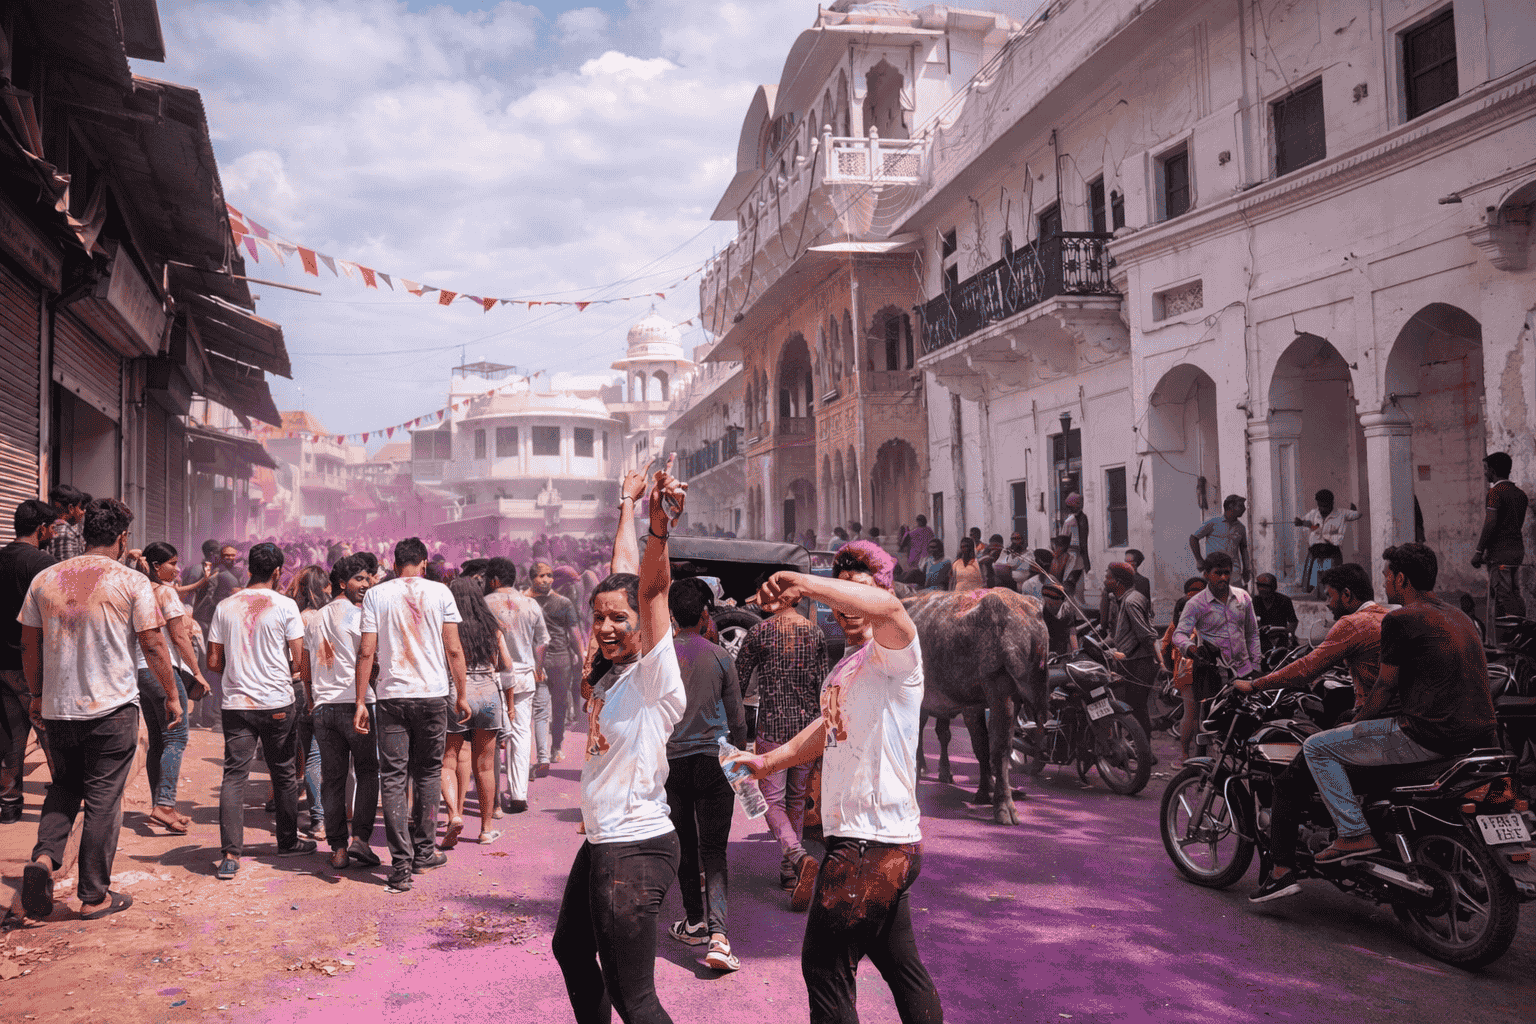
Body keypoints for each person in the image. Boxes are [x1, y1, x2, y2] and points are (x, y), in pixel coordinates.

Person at [728, 540, 943, 1024]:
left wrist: (805, 583)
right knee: (902, 967)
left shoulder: (895, 653)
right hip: (882, 846)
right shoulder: (850, 664)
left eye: (856, 595)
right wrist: (770, 763)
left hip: (869, 845)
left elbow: (888, 606)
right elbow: (828, 725)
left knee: (825, 971)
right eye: (840, 596)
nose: (846, 606)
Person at [551, 465, 687, 1024]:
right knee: (572, 949)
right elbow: (625, 579)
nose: (606, 627)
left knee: (637, 998)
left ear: (646, 628)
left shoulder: (655, 674)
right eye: (598, 617)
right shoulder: (617, 667)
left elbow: (650, 588)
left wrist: (659, 530)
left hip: (634, 847)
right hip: (609, 842)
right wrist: (625, 506)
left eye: (618, 620)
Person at [19, 498, 178, 920]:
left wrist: (37, 694)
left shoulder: (45, 578)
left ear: (86, 532)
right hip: (111, 709)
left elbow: (29, 644)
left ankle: (45, 860)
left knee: (64, 787)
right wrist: (172, 695)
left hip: (58, 709)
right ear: (123, 538)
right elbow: (153, 642)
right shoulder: (131, 581)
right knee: (104, 799)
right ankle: (94, 895)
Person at [1300, 543, 1497, 864]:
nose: (1385, 583)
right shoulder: (1460, 616)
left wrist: (1356, 720)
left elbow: (1384, 687)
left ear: (1402, 579)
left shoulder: (1401, 620)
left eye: (1387, 576)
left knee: (1316, 747)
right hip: (1482, 735)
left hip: (1427, 736)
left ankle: (1353, 833)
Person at [1234, 563, 1390, 902]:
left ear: (1348, 595)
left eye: (1331, 596)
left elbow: (1306, 668)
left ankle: (1281, 871)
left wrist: (1256, 684)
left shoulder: (1353, 624)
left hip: (1378, 728)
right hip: (1387, 719)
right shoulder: (1389, 617)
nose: (1328, 605)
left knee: (1290, 778)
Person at [354, 537, 470, 894]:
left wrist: (361, 700)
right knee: (428, 773)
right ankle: (423, 853)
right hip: (432, 695)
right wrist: (461, 694)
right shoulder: (440, 593)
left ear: (394, 562)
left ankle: (400, 865)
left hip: (391, 697)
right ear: (422, 563)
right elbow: (453, 648)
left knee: (392, 777)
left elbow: (366, 651)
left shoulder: (377, 594)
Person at [207, 542, 317, 880]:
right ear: (276, 572)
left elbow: (213, 662)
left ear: (249, 568)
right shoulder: (285, 607)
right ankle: (286, 842)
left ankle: (229, 854)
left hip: (237, 704)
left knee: (234, 776)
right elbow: (299, 660)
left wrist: (239, 666)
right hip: (277, 702)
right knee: (283, 773)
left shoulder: (225, 607)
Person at [662, 578, 747, 971]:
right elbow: (738, 719)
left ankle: (694, 920)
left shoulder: (658, 656)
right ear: (705, 615)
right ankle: (719, 935)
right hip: (715, 761)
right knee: (714, 851)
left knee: (686, 845)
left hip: (671, 764)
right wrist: (741, 759)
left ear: (671, 615)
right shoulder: (719, 656)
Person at [733, 585, 828, 910]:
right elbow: (824, 683)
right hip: (808, 727)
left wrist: (734, 727)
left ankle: (798, 858)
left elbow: (738, 680)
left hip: (772, 726)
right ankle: (789, 870)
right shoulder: (814, 633)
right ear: (799, 600)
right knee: (797, 798)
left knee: (771, 800)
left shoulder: (759, 632)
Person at [302, 554, 380, 871]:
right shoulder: (357, 616)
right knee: (366, 772)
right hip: (355, 704)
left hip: (323, 708)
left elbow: (304, 669)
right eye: (361, 579)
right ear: (342, 583)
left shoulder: (314, 619)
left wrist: (311, 701)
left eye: (370, 578)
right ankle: (360, 838)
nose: (368, 584)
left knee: (333, 780)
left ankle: (338, 848)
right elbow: (369, 657)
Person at [134, 543, 213, 834]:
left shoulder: (140, 590)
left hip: (140, 673)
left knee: (159, 739)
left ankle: (162, 805)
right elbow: (179, 638)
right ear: (156, 566)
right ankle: (164, 805)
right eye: (172, 563)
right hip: (162, 672)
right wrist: (197, 672)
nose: (177, 569)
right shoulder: (165, 593)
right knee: (177, 737)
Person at [442, 577, 514, 847]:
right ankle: (486, 829)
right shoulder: (491, 626)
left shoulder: (448, 627)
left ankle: (454, 815)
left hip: (456, 693)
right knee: (484, 766)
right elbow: (506, 665)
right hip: (487, 692)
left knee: (448, 760)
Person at [0, 500, 57, 824]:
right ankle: (62, 795)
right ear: (42, 529)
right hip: (31, 662)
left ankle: (9, 806)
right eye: (52, 528)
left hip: (1, 664)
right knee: (50, 731)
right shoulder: (42, 563)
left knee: (9, 737)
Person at [485, 557, 547, 812]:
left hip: (493, 676)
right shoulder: (530, 604)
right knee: (522, 733)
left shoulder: (483, 603)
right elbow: (541, 641)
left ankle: (492, 796)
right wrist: (538, 670)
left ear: (494, 580)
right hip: (524, 673)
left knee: (491, 736)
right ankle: (519, 793)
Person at [1172, 550, 1260, 719]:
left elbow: (1252, 634)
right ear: (1206, 574)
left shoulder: (1243, 597)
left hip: (1244, 670)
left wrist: (1255, 665)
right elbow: (1180, 634)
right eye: (1217, 573)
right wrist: (1191, 649)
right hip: (1213, 672)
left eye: (1226, 573)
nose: (1223, 578)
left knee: (1243, 720)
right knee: (1210, 722)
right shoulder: (1195, 604)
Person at [287, 565, 331, 836]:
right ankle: (338, 816)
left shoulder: (301, 617)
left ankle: (319, 820)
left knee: (312, 756)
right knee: (333, 757)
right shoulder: (333, 614)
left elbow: (299, 662)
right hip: (335, 690)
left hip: (306, 689)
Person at [527, 561, 577, 769]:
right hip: (534, 661)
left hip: (559, 660)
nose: (546, 579)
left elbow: (574, 633)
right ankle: (539, 754)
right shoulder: (524, 601)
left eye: (549, 575)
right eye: (541, 575)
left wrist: (583, 659)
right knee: (535, 709)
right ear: (532, 578)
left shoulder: (564, 603)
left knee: (559, 707)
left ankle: (555, 747)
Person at [1103, 563, 1157, 740]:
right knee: (1133, 706)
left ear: (1117, 582)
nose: (1105, 580)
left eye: (1107, 577)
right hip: (1130, 661)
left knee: (1138, 707)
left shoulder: (1131, 601)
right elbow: (1119, 634)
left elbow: (1146, 635)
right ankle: (1138, 745)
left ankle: (1145, 752)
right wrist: (1098, 645)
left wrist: (1159, 662)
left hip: (1139, 662)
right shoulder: (1120, 600)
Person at [1472, 452, 1528, 621]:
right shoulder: (1520, 494)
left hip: (1500, 554)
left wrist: (1478, 551)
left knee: (1503, 596)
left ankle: (1516, 635)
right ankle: (1516, 633)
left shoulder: (1495, 493)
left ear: (1493, 470)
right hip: (1517, 552)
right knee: (1514, 593)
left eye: (1486, 468)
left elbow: (1491, 523)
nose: (1484, 472)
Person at [1160, 577, 1209, 765]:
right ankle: (1201, 754)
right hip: (1207, 670)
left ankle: (1185, 756)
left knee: (1189, 715)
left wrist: (1171, 670)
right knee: (1204, 714)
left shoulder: (1179, 615)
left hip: (1184, 671)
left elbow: (1165, 648)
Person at [1295, 489, 1361, 597]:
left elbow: (1357, 515)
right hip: (1316, 550)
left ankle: (1335, 593)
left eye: (1325, 506)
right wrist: (1301, 523)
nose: (1322, 509)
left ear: (1331, 503)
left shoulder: (1341, 513)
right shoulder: (1313, 513)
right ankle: (1309, 589)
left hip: (1331, 549)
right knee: (1307, 582)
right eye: (1320, 506)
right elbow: (1304, 522)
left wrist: (1353, 510)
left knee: (1335, 577)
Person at [1190, 494, 1251, 585]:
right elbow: (1193, 538)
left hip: (1233, 571)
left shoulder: (1241, 528)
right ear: (1231, 506)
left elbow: (1244, 548)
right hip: (1213, 569)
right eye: (1241, 506)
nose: (1244, 509)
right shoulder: (1213, 523)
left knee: (1234, 596)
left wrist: (1246, 569)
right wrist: (1199, 560)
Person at [1251, 573, 1298, 652]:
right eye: (1260, 586)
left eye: (1266, 586)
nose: (1262, 589)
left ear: (1273, 587)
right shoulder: (1254, 601)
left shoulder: (1284, 601)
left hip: (1281, 639)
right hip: (1261, 641)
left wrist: (1289, 633)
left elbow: (1293, 621)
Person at [1059, 493, 1091, 602]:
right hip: (1072, 556)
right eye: (1077, 502)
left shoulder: (1084, 518)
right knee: (1070, 581)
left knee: (1080, 583)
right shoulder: (1069, 521)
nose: (1080, 504)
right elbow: (1064, 539)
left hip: (1081, 556)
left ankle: (1079, 605)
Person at [44, 485, 88, 562]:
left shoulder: (51, 528)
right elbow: (68, 568)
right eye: (79, 507)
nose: (83, 511)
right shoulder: (64, 532)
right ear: (71, 508)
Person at [1040, 582, 1081, 658]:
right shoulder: (1040, 611)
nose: (1049, 606)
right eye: (1047, 603)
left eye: (1052, 604)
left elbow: (1072, 633)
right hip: (1045, 650)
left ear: (1061, 601)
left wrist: (1075, 650)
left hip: (1062, 650)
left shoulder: (1068, 611)